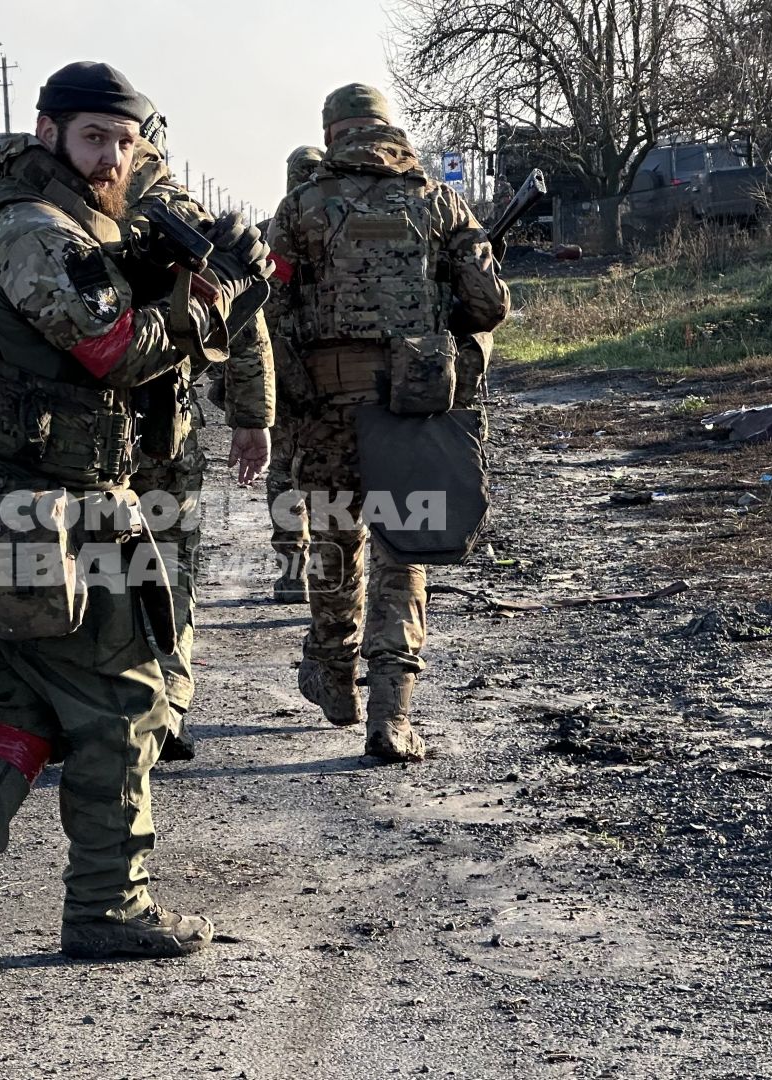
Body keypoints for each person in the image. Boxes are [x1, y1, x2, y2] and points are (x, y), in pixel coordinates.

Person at [0, 61, 272, 970]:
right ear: (49, 133)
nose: (111, 158)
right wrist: (204, 302)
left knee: (33, 710)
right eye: (93, 137)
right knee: (127, 708)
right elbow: (109, 350)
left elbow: (73, 322)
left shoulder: (46, 219)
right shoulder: (30, 229)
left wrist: (151, 268)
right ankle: (110, 907)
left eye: (125, 141)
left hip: (12, 508)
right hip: (52, 513)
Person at [263, 84, 508, 763]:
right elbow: (488, 302)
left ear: (333, 132)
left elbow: (267, 309)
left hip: (326, 410)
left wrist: (290, 391)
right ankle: (392, 714)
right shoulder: (437, 200)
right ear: (387, 129)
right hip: (412, 401)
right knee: (405, 549)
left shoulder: (301, 207)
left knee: (335, 544)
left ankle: (334, 674)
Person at [124, 123, 275, 762]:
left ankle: (91, 709)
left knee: (72, 567)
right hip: (162, 427)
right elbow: (244, 322)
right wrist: (252, 418)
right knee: (168, 563)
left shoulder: (49, 210)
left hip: (62, 433)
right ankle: (169, 703)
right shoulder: (182, 212)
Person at [263, 146, 324, 605]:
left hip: (284, 366)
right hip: (326, 369)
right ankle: (329, 567)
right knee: (327, 469)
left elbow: (265, 304)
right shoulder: (338, 230)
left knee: (283, 471)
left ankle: (291, 572)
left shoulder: (275, 234)